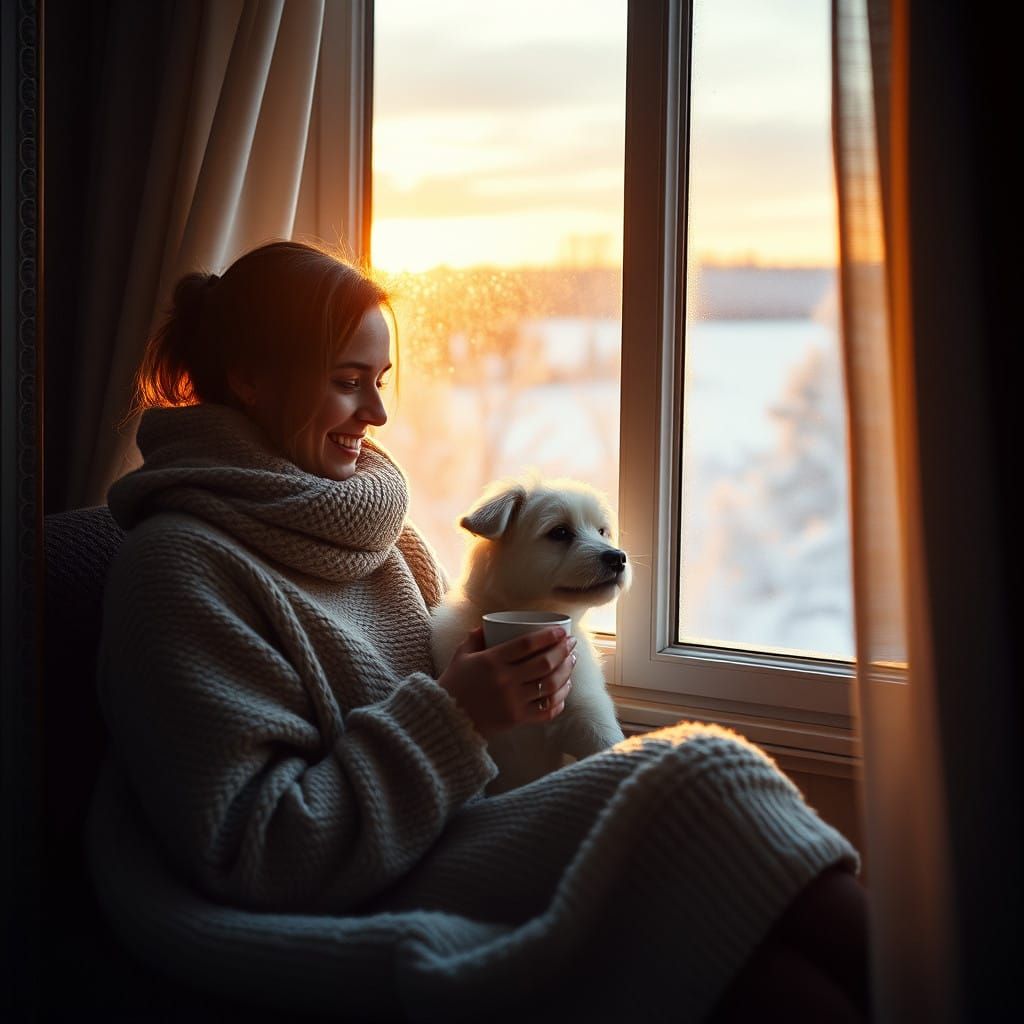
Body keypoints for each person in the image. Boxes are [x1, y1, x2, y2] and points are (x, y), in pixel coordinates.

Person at [88, 240, 869, 1022]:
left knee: (759, 936)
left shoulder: (385, 542)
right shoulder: (177, 570)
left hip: (443, 844)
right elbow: (259, 848)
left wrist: (498, 704)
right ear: (252, 379)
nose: (380, 414)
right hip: (344, 897)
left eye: (381, 382)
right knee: (702, 779)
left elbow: (465, 738)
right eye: (347, 382)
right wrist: (457, 716)